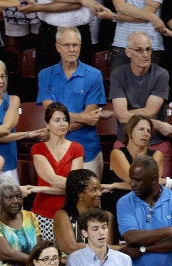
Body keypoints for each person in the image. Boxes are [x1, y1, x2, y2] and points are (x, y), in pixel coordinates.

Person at [37, 26, 107, 179]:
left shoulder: (94, 75)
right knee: (57, 200)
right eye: (67, 45)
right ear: (58, 47)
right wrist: (83, 118)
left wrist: (58, 129)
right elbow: (51, 112)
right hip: (55, 151)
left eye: (75, 45)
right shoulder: (45, 75)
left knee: (89, 201)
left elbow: (91, 115)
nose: (71, 49)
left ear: (80, 47)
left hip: (87, 150)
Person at [110, 31, 172, 177]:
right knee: (124, 191)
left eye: (148, 49)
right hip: (125, 142)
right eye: (139, 50)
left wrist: (124, 113)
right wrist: (156, 124)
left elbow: (150, 110)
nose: (145, 54)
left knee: (160, 193)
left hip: (155, 142)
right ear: (128, 52)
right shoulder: (118, 75)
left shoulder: (161, 74)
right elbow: (121, 117)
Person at [31, 103, 84, 241]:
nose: (62, 124)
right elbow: (52, 179)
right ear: (47, 124)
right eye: (57, 120)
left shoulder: (77, 148)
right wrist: (74, 187)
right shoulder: (38, 148)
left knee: (71, 258)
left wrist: (40, 189)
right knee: (46, 258)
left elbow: (75, 184)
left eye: (65, 119)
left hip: (70, 212)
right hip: (43, 213)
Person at [54, 169, 124, 255]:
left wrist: (108, 248)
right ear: (80, 193)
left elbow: (105, 250)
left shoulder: (107, 216)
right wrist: (119, 248)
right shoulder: (63, 215)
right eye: (94, 190)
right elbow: (71, 248)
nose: (99, 194)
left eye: (100, 189)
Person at [102, 0, 166, 71]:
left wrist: (114, 16)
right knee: (118, 80)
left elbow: (146, 14)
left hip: (150, 46)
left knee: (148, 82)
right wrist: (152, 17)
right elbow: (120, 6)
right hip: (122, 44)